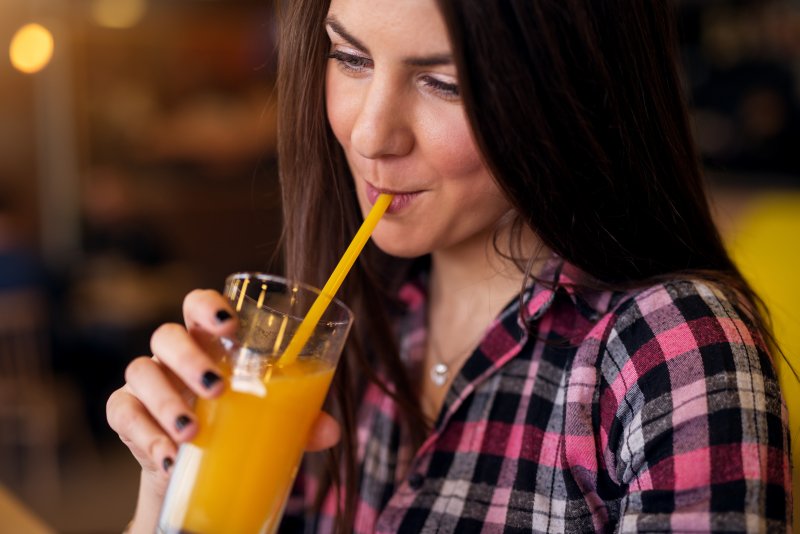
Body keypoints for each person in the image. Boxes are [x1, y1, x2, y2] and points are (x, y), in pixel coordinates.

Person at [106, 0, 792, 532]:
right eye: (350, 58)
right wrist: (170, 496)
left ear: (569, 84)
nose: (371, 133)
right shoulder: (351, 327)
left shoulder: (671, 348)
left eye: (443, 82)